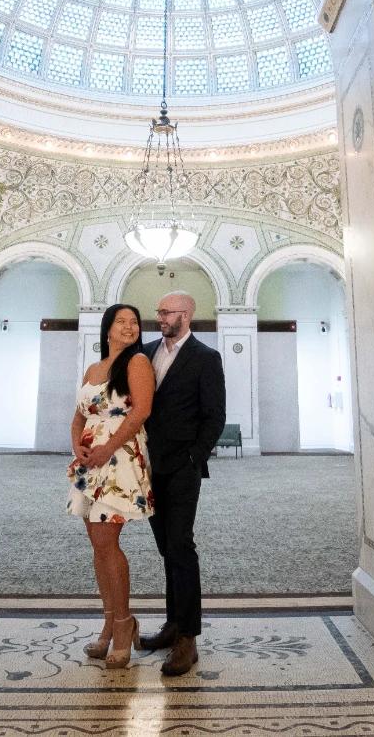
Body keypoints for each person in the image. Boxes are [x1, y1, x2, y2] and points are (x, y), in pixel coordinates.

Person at [138, 290, 226, 677]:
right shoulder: (145, 354)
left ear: (186, 315)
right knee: (166, 548)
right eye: (158, 311)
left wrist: (194, 457)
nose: (160, 317)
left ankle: (188, 637)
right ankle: (173, 624)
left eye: (166, 312)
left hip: (183, 468)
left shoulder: (206, 358)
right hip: (147, 467)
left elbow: (215, 415)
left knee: (180, 545)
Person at [66, 302, 156, 670]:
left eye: (134, 322)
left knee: (107, 542)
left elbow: (141, 411)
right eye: (121, 321)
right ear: (107, 329)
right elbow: (79, 416)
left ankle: (123, 624)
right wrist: (78, 445)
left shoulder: (138, 363)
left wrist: (107, 447)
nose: (130, 327)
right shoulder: (93, 368)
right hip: (90, 464)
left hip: (119, 459)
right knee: (98, 545)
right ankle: (109, 622)